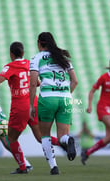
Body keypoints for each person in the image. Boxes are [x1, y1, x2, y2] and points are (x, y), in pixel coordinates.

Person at [0, 42, 60, 174]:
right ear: (23, 53)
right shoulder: (29, 63)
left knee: (12, 138)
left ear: (11, 54)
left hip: (20, 107)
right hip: (34, 104)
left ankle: (23, 167)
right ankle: (64, 142)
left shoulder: (10, 67)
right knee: (41, 137)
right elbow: (37, 83)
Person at [29, 32, 78, 175]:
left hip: (47, 98)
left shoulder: (36, 58)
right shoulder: (63, 58)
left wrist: (31, 105)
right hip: (65, 98)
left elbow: (33, 84)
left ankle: (53, 167)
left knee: (45, 135)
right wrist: (66, 94)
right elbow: (75, 81)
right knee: (62, 135)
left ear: (39, 43)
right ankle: (68, 140)